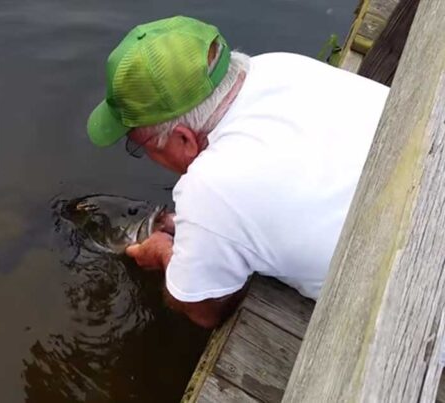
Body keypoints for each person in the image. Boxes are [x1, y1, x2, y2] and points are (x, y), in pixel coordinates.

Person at [86, 15, 389, 329]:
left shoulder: (210, 187)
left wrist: (163, 253)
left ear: (183, 138)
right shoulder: (280, 65)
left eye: (141, 144)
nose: (146, 155)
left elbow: (203, 310)